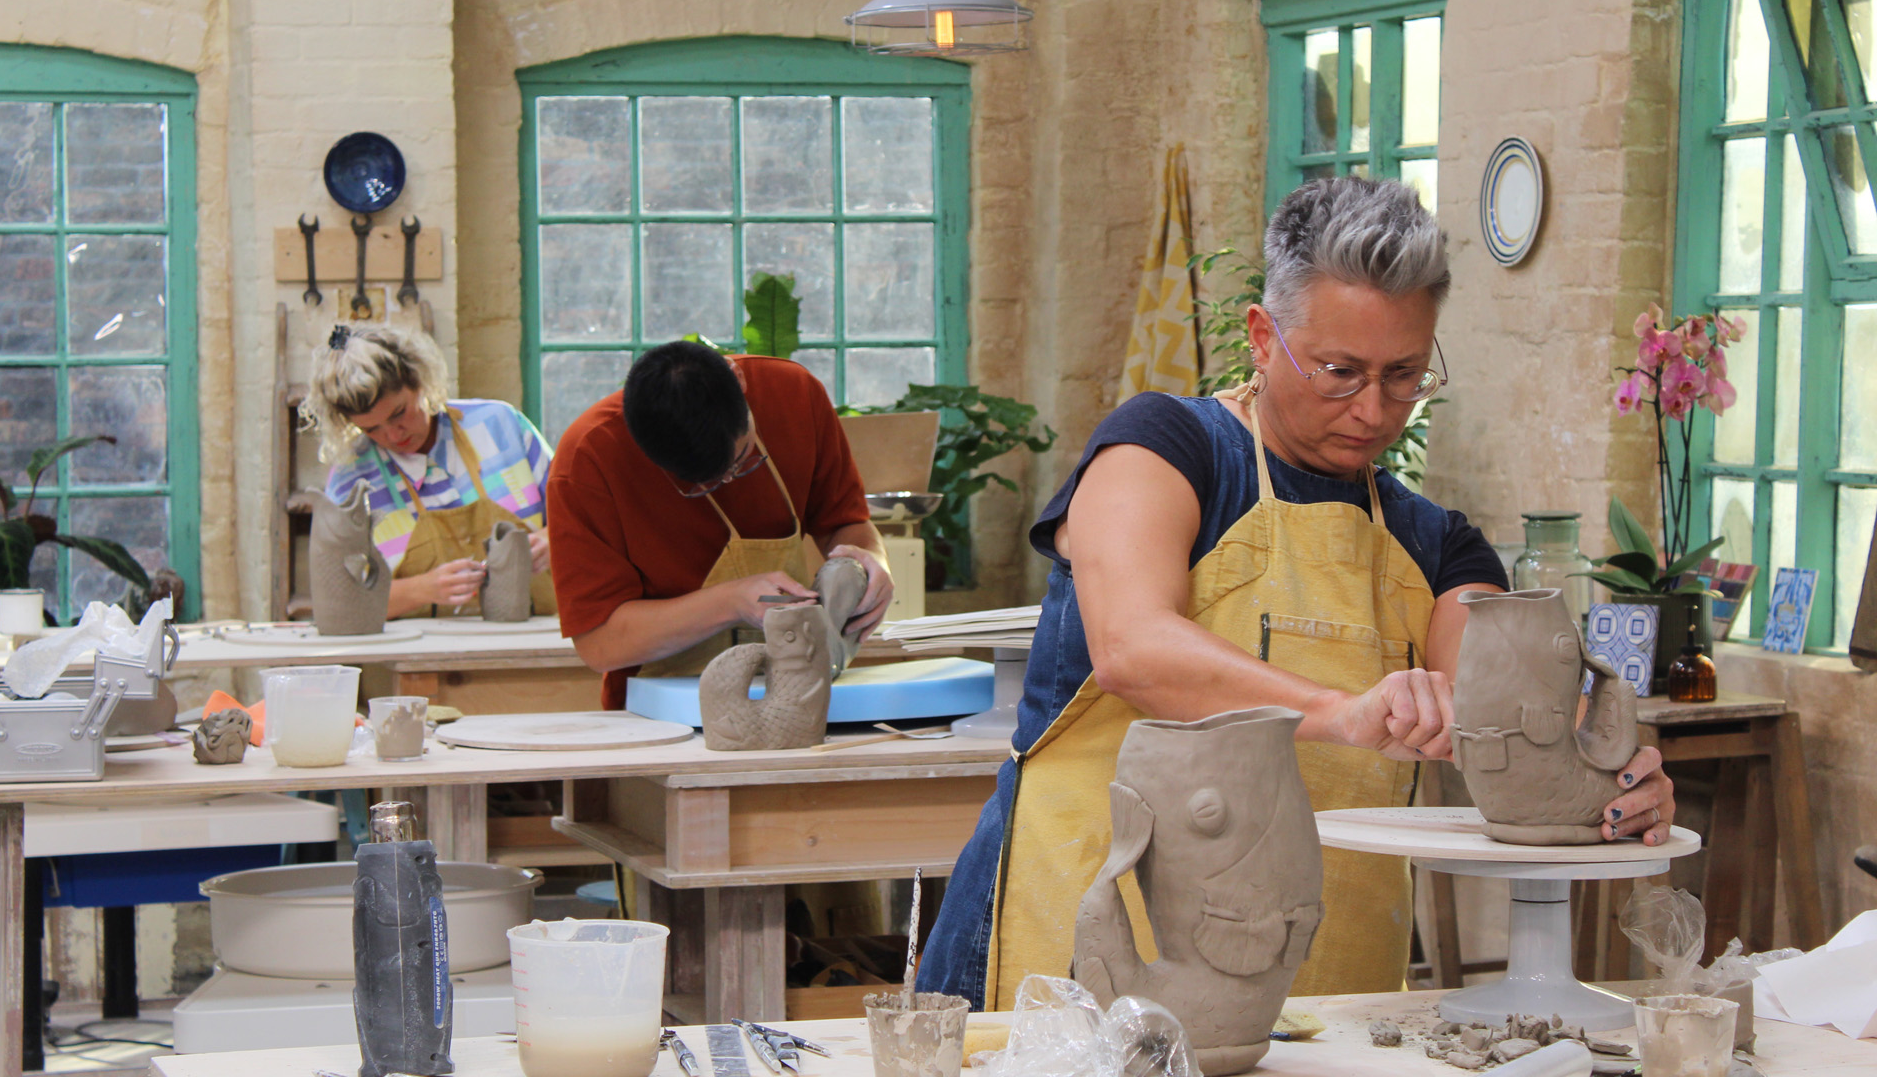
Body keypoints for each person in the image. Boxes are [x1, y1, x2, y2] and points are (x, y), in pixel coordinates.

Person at [918, 176, 1677, 1009]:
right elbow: (1134, 645)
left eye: (1405, 376)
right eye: (1339, 371)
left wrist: (1612, 780)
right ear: (1261, 335)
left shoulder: (1436, 544)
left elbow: (1514, 717)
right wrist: (1344, 715)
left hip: (1325, 987)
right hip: (1086, 949)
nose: (1373, 409)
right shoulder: (1165, 449)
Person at [547, 341, 894, 706]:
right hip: (661, 711)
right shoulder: (587, 459)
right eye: (696, 484)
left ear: (740, 380)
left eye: (742, 458)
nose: (728, 481)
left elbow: (845, 523)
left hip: (800, 697)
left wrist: (871, 561)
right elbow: (600, 644)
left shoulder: (794, 395)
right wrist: (732, 602)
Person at [303, 324, 556, 619]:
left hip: (535, 641)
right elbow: (343, 603)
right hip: (420, 658)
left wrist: (554, 540)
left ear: (420, 381)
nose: (393, 435)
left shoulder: (500, 426)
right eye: (371, 429)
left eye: (399, 413)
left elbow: (586, 522)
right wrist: (421, 589)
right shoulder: (352, 480)